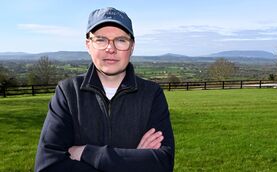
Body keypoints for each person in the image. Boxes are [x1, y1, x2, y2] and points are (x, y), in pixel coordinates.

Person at [34, 7, 175, 172]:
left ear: (132, 46)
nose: (111, 48)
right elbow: (47, 166)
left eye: (121, 40)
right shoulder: (68, 92)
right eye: (101, 40)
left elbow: (162, 163)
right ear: (88, 45)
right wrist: (132, 161)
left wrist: (88, 153)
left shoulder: (152, 94)